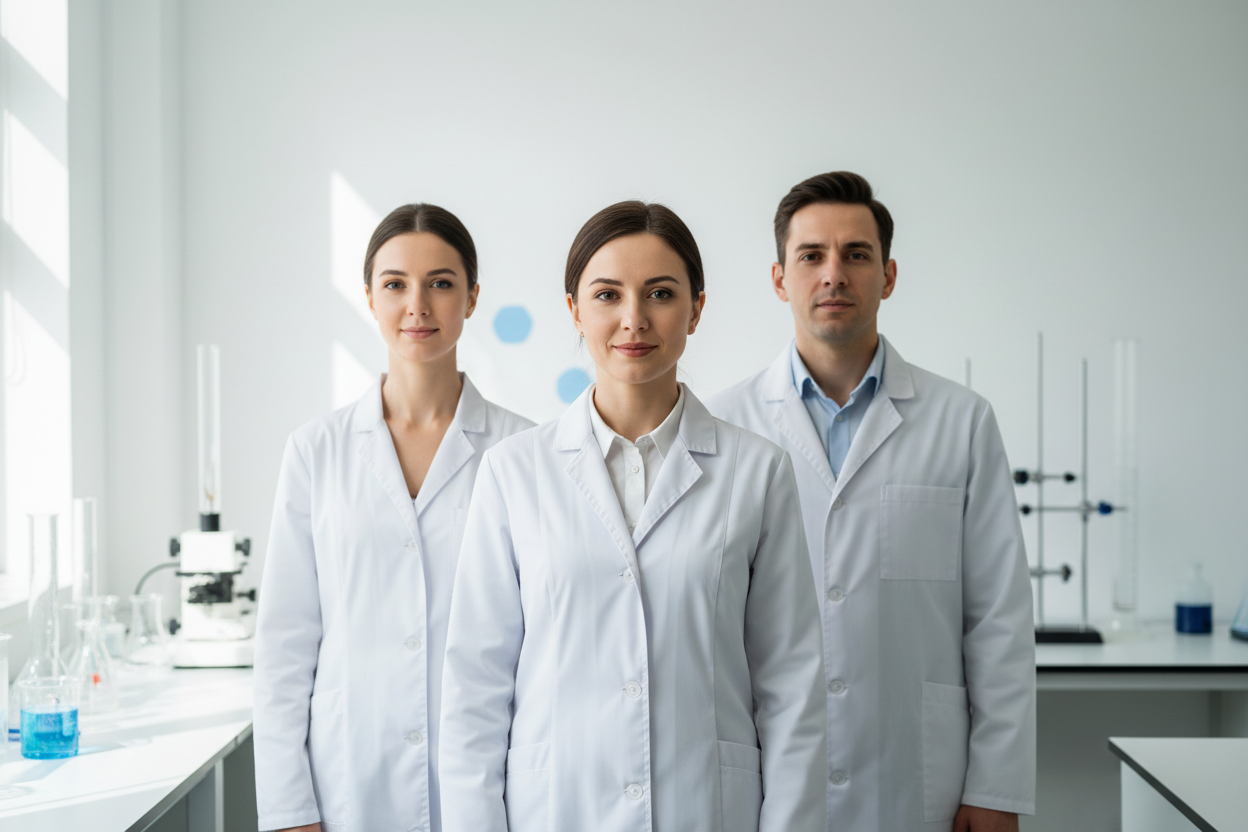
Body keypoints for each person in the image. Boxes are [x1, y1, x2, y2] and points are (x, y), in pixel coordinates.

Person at [438, 201, 827, 832]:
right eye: (607, 295)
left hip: (704, 810)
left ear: (696, 309)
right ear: (575, 310)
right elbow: (474, 691)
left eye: (661, 294)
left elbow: (792, 691)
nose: (634, 318)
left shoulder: (758, 472)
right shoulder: (513, 472)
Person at [707, 172, 1036, 832]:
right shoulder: (722, 427)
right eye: (811, 256)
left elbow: (998, 617)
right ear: (780, 279)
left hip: (913, 777)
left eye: (856, 254)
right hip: (771, 780)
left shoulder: (961, 421)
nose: (834, 274)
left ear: (887, 276)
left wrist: (996, 787)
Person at [252, 203, 534, 832]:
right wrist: (289, 808)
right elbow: (285, 645)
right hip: (349, 780)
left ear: (472, 296)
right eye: (395, 284)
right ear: (369, 298)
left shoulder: (523, 452)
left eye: (441, 283)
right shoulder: (316, 451)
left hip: (487, 785)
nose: (417, 306)